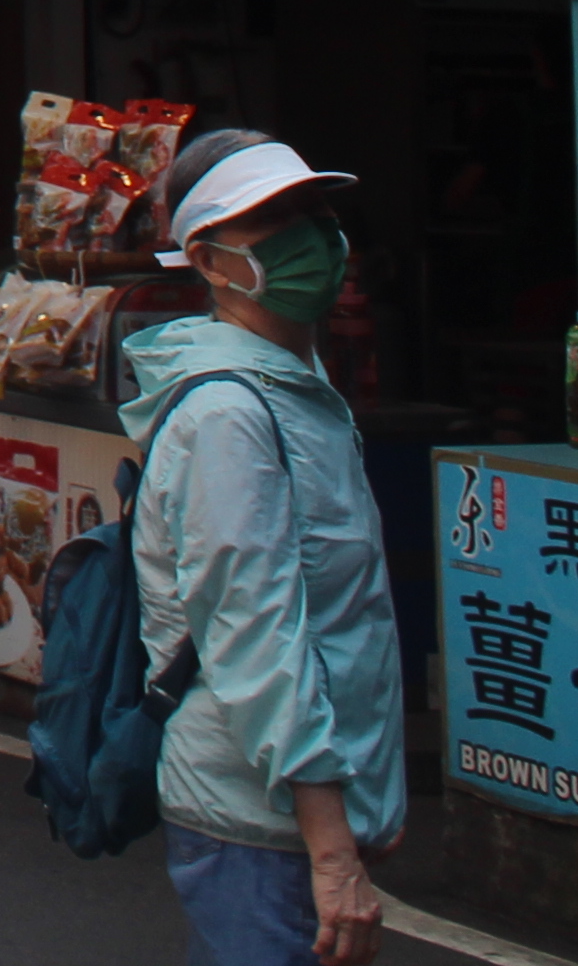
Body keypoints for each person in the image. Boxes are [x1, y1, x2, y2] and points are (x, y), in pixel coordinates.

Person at [132, 132, 406, 966]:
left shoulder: (295, 389)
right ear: (212, 263)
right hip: (259, 822)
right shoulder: (229, 417)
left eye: (317, 212)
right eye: (276, 220)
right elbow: (258, 638)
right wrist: (332, 857)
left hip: (292, 816)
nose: (314, 236)